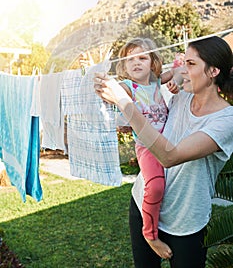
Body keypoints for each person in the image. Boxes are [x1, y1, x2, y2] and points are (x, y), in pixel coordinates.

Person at [94, 35, 233, 268]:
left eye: (191, 64)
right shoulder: (181, 94)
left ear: (213, 71)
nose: (181, 69)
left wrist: (123, 103)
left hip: (185, 223)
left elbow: (170, 156)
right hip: (143, 204)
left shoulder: (225, 120)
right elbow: (153, 86)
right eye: (184, 61)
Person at [115, 37, 180, 259]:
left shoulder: (156, 82)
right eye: (130, 59)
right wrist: (107, 87)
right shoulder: (128, 87)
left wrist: (178, 77)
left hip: (167, 141)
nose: (136, 62)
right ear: (123, 66)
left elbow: (178, 73)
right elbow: (116, 90)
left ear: (152, 62)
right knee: (156, 187)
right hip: (147, 147)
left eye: (142, 57)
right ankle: (150, 234)